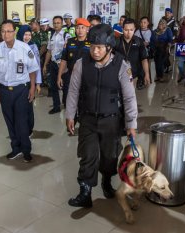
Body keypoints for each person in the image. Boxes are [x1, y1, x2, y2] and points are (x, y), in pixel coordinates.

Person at [66, 24, 138, 208]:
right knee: (88, 155)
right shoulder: (82, 64)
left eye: (99, 47)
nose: (95, 51)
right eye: (92, 47)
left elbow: (129, 98)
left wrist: (131, 124)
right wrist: (70, 115)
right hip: (88, 118)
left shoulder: (122, 65)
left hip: (112, 120)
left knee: (109, 156)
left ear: (109, 48)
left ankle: (107, 180)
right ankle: (85, 193)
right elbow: (73, 91)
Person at [0, 19, 39, 162]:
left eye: (9, 31)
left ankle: (26, 149)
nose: (5, 34)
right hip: (4, 90)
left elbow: (33, 69)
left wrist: (33, 87)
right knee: (9, 121)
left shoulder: (24, 48)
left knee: (21, 121)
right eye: (2, 31)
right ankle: (15, 148)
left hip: (21, 89)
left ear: (14, 32)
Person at [57, 18, 91, 109]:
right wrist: (59, 76)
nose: (80, 30)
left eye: (82, 28)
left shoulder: (92, 43)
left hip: (86, 76)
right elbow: (64, 60)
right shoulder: (69, 42)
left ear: (88, 29)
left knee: (85, 101)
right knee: (69, 100)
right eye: (77, 28)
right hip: (71, 75)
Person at [17, 25, 42, 138]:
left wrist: (37, 83)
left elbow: (37, 65)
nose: (27, 37)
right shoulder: (14, 46)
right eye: (25, 34)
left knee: (27, 107)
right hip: (16, 82)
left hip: (28, 82)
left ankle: (29, 129)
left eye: (29, 35)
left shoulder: (33, 47)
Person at [43, 16, 70, 114]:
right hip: (54, 64)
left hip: (64, 65)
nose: (56, 25)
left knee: (66, 87)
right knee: (53, 86)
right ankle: (56, 106)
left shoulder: (66, 35)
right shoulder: (51, 35)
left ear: (62, 24)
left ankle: (67, 105)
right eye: (54, 23)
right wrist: (45, 64)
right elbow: (49, 51)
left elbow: (68, 51)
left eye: (58, 23)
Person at [114, 18, 150, 90]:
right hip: (118, 75)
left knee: (130, 97)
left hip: (133, 76)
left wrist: (147, 74)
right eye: (126, 30)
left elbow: (144, 59)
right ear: (122, 29)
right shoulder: (116, 42)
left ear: (134, 29)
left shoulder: (138, 41)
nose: (128, 32)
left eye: (131, 30)